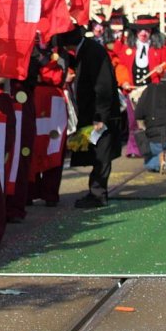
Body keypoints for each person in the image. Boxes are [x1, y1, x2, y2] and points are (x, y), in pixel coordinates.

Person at [55, 26, 122, 208]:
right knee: (94, 154)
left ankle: (98, 194)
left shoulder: (93, 52)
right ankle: (96, 191)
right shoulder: (86, 50)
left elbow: (103, 86)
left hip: (101, 114)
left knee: (101, 155)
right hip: (91, 112)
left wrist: (100, 116)